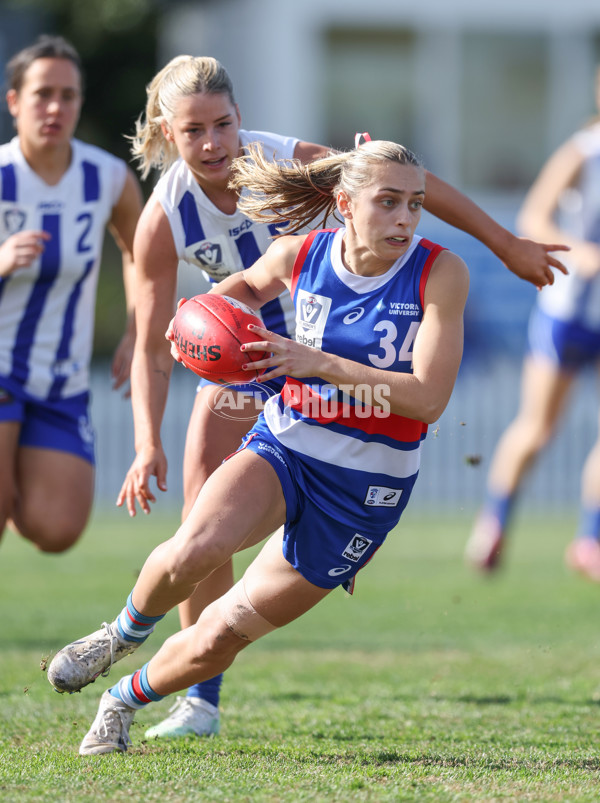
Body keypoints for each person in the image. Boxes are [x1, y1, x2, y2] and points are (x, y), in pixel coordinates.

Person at [113, 54, 569, 741]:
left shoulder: (292, 161)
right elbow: (153, 343)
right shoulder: (163, 216)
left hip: (325, 353)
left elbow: (403, 180)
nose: (213, 143)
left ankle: (215, 651)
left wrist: (505, 244)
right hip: (251, 359)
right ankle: (197, 697)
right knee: (201, 519)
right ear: (165, 132)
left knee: (258, 518)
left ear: (242, 119)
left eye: (224, 124)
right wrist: (148, 439)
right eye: (194, 130)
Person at [47, 136, 470, 755]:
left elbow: (427, 399)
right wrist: (201, 318)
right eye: (387, 201)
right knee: (198, 544)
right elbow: (242, 285)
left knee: (221, 636)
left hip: (364, 491)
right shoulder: (301, 253)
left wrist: (314, 361)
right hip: (287, 442)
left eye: (414, 203)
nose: (404, 218)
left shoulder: (441, 272)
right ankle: (117, 636)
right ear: (344, 204)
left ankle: (123, 700)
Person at [0, 35, 142, 554]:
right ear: (14, 101)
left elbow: (139, 253)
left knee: (58, 529)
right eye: (42, 94)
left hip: (61, 377)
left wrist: (135, 328)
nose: (56, 107)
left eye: (69, 95)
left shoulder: (105, 177)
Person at [465, 67, 600, 577]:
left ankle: (589, 540)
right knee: (539, 427)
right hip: (570, 313)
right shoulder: (584, 152)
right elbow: (534, 218)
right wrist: (583, 254)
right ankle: (495, 522)